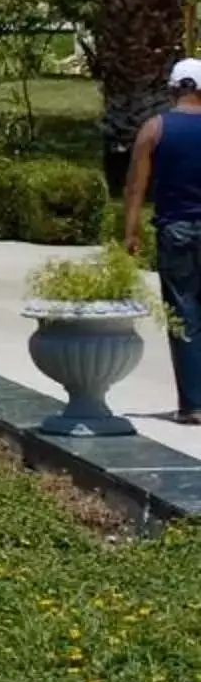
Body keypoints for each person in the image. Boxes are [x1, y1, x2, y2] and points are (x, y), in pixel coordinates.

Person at [122, 58, 201, 423]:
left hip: (176, 230)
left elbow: (136, 186)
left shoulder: (155, 128)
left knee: (182, 313)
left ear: (174, 89)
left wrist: (130, 232)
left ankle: (193, 405)